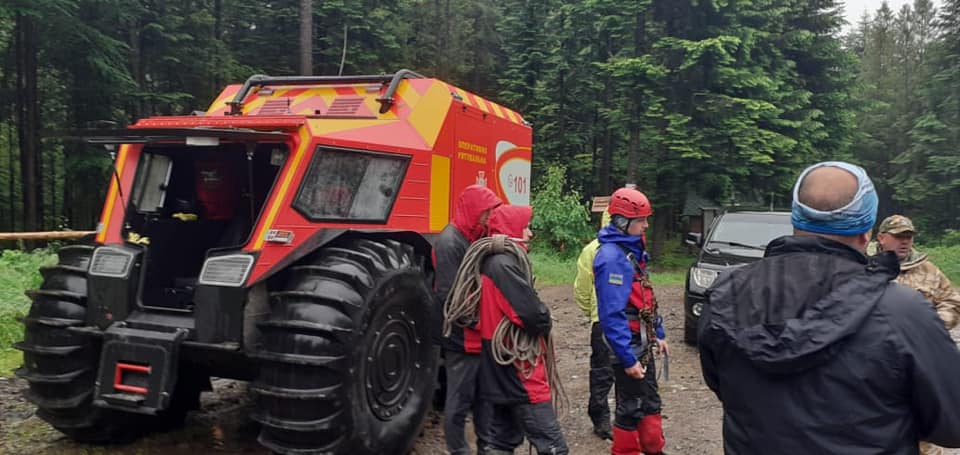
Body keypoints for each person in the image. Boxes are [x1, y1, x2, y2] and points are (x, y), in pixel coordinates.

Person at [698, 161, 960, 454]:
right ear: (867, 233)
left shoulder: (726, 293)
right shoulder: (902, 311)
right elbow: (952, 423)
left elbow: (722, 385)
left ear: (796, 221)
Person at [473, 204, 568, 455]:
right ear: (512, 229)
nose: (529, 234)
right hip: (517, 369)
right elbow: (532, 316)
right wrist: (545, 316)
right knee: (554, 446)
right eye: (525, 227)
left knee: (502, 440)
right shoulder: (504, 266)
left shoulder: (490, 262)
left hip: (496, 366)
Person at [869, 214, 960, 455]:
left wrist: (935, 324)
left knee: (919, 417)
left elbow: (951, 300)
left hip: (920, 360)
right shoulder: (865, 265)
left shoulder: (928, 269)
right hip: (874, 358)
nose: (905, 242)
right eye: (899, 237)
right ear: (881, 237)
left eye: (908, 237)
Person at [593, 187, 668, 455]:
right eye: (641, 220)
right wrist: (628, 359)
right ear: (623, 222)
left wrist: (658, 331)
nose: (646, 225)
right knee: (631, 404)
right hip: (628, 343)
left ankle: (652, 448)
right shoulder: (612, 259)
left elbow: (644, 295)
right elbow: (611, 315)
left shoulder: (631, 251)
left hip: (640, 340)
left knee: (649, 400)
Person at [433, 184, 502, 455]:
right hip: (459, 336)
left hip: (476, 332)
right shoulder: (450, 241)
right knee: (459, 398)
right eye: (486, 212)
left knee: (482, 393)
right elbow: (451, 295)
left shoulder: (473, 235)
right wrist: (482, 320)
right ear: (473, 210)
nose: (489, 218)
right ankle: (458, 449)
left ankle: (485, 444)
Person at [574, 209, 615, 440]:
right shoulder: (594, 249)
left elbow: (581, 289)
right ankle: (605, 419)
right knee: (608, 372)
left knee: (604, 372)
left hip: (605, 321)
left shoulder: (592, 249)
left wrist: (592, 313)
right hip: (613, 321)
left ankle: (606, 419)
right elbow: (582, 289)